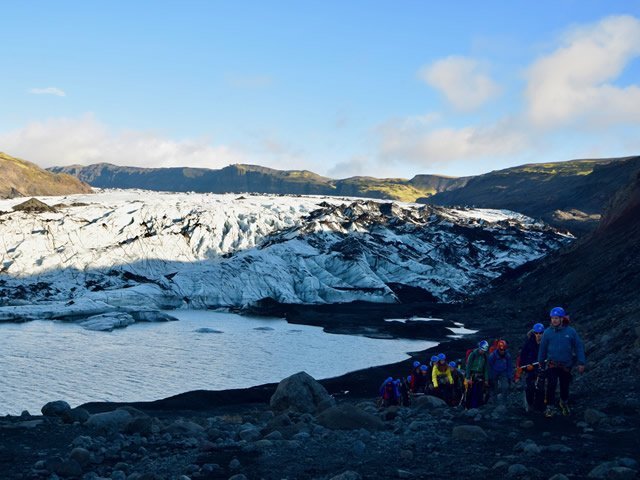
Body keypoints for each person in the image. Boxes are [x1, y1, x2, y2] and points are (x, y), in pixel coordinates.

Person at [538, 307, 586, 417]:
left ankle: (563, 402)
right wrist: (540, 361)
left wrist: (581, 362)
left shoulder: (571, 331)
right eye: (552, 318)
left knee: (565, 385)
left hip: (566, 365)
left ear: (562, 319)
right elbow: (543, 348)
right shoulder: (547, 333)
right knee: (551, 384)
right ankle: (550, 406)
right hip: (552, 364)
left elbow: (578, 346)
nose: (554, 320)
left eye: (556, 318)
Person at [516, 322, 545, 412]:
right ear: (533, 333)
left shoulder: (546, 342)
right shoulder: (529, 343)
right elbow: (523, 356)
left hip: (542, 367)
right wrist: (526, 365)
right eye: (536, 333)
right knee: (530, 387)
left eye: (540, 333)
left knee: (541, 388)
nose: (538, 335)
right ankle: (529, 404)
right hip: (530, 368)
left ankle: (539, 406)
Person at [465, 340, 490, 408]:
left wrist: (486, 379)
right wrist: (468, 377)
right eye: (482, 350)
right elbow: (468, 366)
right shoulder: (473, 354)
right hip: (472, 375)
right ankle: (468, 407)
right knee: (470, 392)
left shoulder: (485, 357)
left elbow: (486, 369)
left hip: (480, 376)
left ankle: (478, 407)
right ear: (479, 348)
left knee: (479, 392)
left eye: (484, 350)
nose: (483, 352)